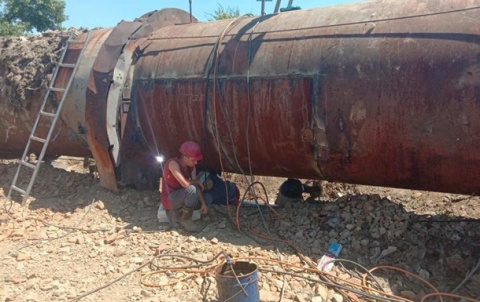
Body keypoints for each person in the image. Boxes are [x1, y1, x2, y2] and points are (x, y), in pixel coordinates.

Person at [160, 141, 209, 232]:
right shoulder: (173, 164)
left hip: (180, 195)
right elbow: (185, 184)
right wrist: (196, 181)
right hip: (169, 199)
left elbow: (195, 186)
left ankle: (179, 215)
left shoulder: (191, 167)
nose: (196, 162)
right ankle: (185, 220)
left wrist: (203, 203)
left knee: (201, 197)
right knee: (191, 190)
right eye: (194, 160)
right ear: (185, 157)